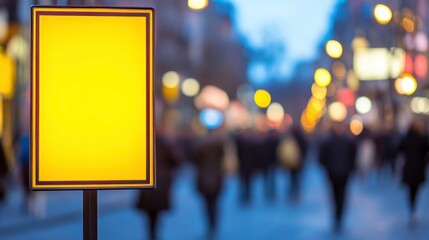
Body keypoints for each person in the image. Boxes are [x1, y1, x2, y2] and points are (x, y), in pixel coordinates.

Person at [135, 128, 180, 240]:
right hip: (162, 182)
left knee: (149, 213)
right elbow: (176, 161)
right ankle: (154, 234)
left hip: (147, 181)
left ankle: (151, 234)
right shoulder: (166, 144)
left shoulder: (144, 145)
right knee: (157, 213)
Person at [319, 122, 357, 232]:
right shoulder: (348, 140)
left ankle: (337, 216)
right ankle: (338, 216)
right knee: (341, 195)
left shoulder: (328, 140)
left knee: (336, 195)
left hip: (335, 172)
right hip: (342, 172)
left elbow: (321, 158)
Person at [192, 129, 225, 239]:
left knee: (207, 205)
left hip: (204, 179)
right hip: (216, 178)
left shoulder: (200, 146)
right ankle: (213, 226)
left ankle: (209, 226)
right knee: (215, 204)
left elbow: (194, 160)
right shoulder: (219, 146)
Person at [397, 118, 429, 226]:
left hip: (409, 168)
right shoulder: (422, 138)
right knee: (416, 190)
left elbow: (399, 150)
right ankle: (413, 209)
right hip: (418, 168)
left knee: (410, 191)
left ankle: (412, 208)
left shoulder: (406, 138)